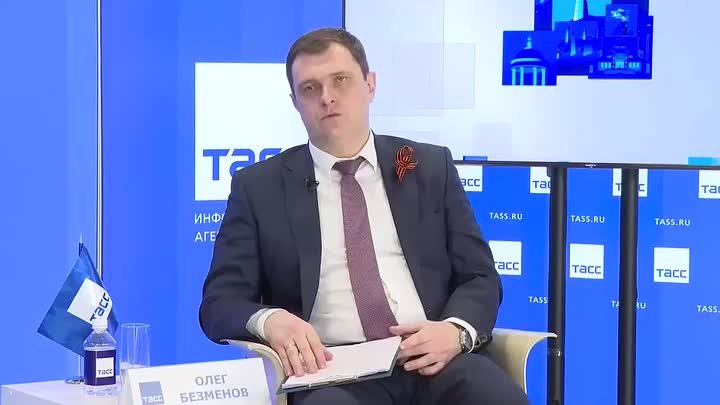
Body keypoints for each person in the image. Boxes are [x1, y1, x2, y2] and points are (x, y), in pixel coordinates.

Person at [199, 27, 528, 405]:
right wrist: (270, 320)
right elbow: (219, 303)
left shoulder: (428, 166)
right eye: (310, 88)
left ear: (370, 84)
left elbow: (480, 276)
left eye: (341, 80)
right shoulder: (258, 187)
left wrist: (455, 331)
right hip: (331, 372)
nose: (327, 97)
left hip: (433, 358)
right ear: (295, 102)